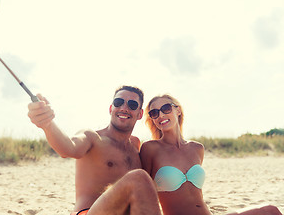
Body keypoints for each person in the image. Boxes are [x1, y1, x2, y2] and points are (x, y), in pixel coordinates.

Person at [28, 85, 162, 215]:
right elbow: (68, 148)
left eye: (132, 105)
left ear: (140, 114)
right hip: (88, 212)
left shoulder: (135, 144)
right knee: (138, 177)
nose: (124, 108)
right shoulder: (92, 137)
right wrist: (47, 124)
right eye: (118, 102)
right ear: (111, 108)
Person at [140, 94, 282, 215]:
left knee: (272, 211)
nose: (161, 115)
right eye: (154, 113)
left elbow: (196, 194)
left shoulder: (197, 148)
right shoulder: (150, 149)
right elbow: (144, 195)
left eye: (166, 108)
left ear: (177, 110)